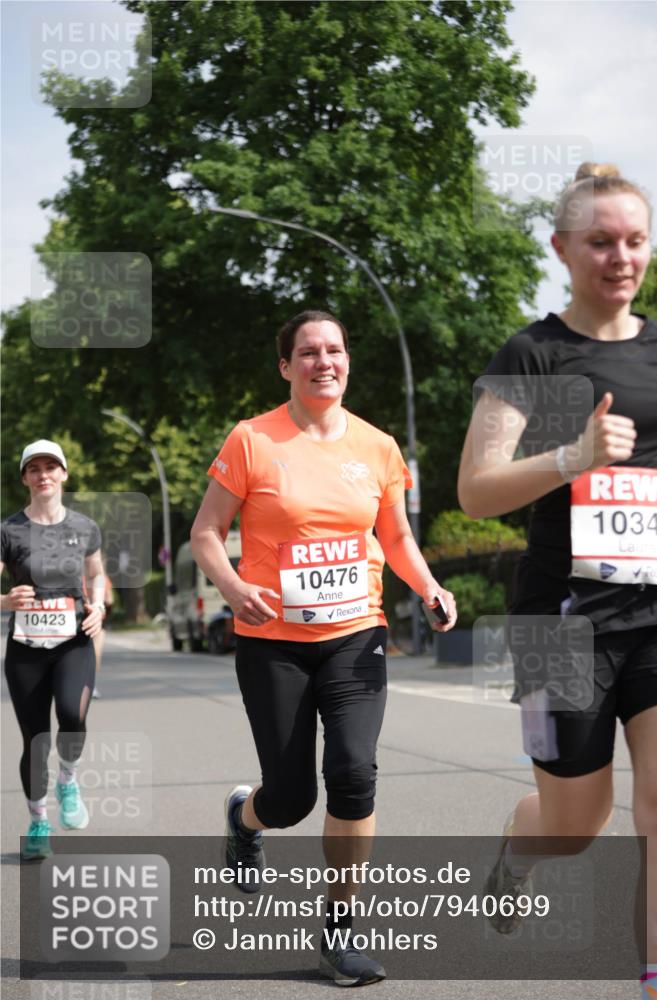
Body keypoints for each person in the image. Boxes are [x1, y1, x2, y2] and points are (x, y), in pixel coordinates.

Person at [191, 310, 457, 986]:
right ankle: (245, 815)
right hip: (270, 642)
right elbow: (204, 532)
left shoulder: (376, 447)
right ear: (285, 367)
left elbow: (394, 538)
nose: (322, 361)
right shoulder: (252, 440)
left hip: (355, 634)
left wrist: (428, 587)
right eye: (307, 352)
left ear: (346, 361)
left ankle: (340, 929)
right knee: (290, 799)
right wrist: (230, 586)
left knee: (353, 771)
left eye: (333, 350)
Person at [457, 163, 657, 998]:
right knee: (574, 826)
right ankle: (520, 846)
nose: (620, 258)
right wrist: (571, 457)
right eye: (599, 242)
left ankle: (655, 968)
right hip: (561, 622)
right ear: (560, 248)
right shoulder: (532, 352)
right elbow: (475, 491)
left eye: (634, 241)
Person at [1, 440, 107, 860]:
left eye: (51, 466)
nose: (43, 474)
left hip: (73, 643)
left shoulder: (84, 527)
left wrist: (98, 605)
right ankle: (38, 821)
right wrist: (6, 602)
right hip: (26, 649)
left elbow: (97, 574)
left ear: (64, 474)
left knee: (71, 714)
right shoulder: (8, 530)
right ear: (25, 477)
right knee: (35, 740)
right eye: (34, 468)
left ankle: (68, 778)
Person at [90, 570, 113, 698]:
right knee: (96, 652)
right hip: (98, 617)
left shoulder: (72, 574)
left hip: (77, 616)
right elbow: (109, 599)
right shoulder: (102, 577)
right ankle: (91, 685)